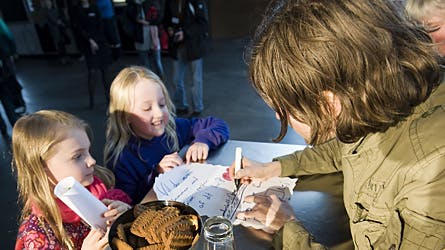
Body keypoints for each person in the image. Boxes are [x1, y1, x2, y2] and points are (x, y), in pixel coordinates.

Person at [229, 0, 445, 249]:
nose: (280, 117)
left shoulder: (431, 174)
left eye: (286, 108)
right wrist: (274, 168)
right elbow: (344, 147)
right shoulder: (377, 101)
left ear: (330, 104)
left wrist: (287, 228)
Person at [104, 66, 229, 204]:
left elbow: (217, 124)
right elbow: (128, 205)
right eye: (147, 108)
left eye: (162, 104)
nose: (159, 113)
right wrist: (157, 174)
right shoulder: (121, 159)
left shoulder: (172, 128)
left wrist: (203, 141)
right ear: (125, 116)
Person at [13, 110, 132, 249]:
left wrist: (128, 216)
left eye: (88, 151)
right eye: (77, 156)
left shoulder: (104, 193)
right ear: (41, 167)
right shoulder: (39, 233)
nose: (92, 160)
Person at [164, 0, 208, 117]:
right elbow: (166, 19)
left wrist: (185, 33)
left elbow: (203, 25)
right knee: (176, 80)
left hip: (194, 47)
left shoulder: (197, 2)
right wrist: (169, 28)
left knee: (195, 80)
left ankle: (197, 108)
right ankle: (181, 107)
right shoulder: (170, 2)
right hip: (177, 46)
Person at [71, 0, 112, 109]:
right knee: (92, 72)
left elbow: (100, 25)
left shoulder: (95, 7)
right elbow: (79, 29)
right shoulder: (77, 10)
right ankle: (92, 101)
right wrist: (90, 41)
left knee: (105, 71)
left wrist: (97, 41)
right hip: (88, 44)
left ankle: (109, 98)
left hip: (100, 42)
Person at [125, 0, 165, 79]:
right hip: (140, 35)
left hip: (153, 34)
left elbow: (160, 17)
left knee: (157, 62)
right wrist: (137, 5)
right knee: (144, 63)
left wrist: (149, 22)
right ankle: (149, 82)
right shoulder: (132, 4)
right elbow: (130, 17)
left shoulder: (153, 2)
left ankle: (160, 81)